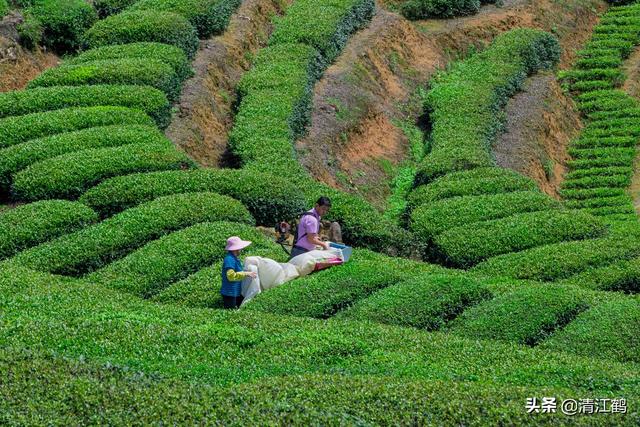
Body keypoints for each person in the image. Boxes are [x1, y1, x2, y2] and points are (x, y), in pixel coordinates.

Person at [221, 236, 257, 309]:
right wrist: (246, 273)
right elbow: (231, 276)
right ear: (236, 249)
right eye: (240, 248)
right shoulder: (229, 259)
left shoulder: (234, 258)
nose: (241, 250)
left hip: (236, 292)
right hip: (230, 293)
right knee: (230, 314)